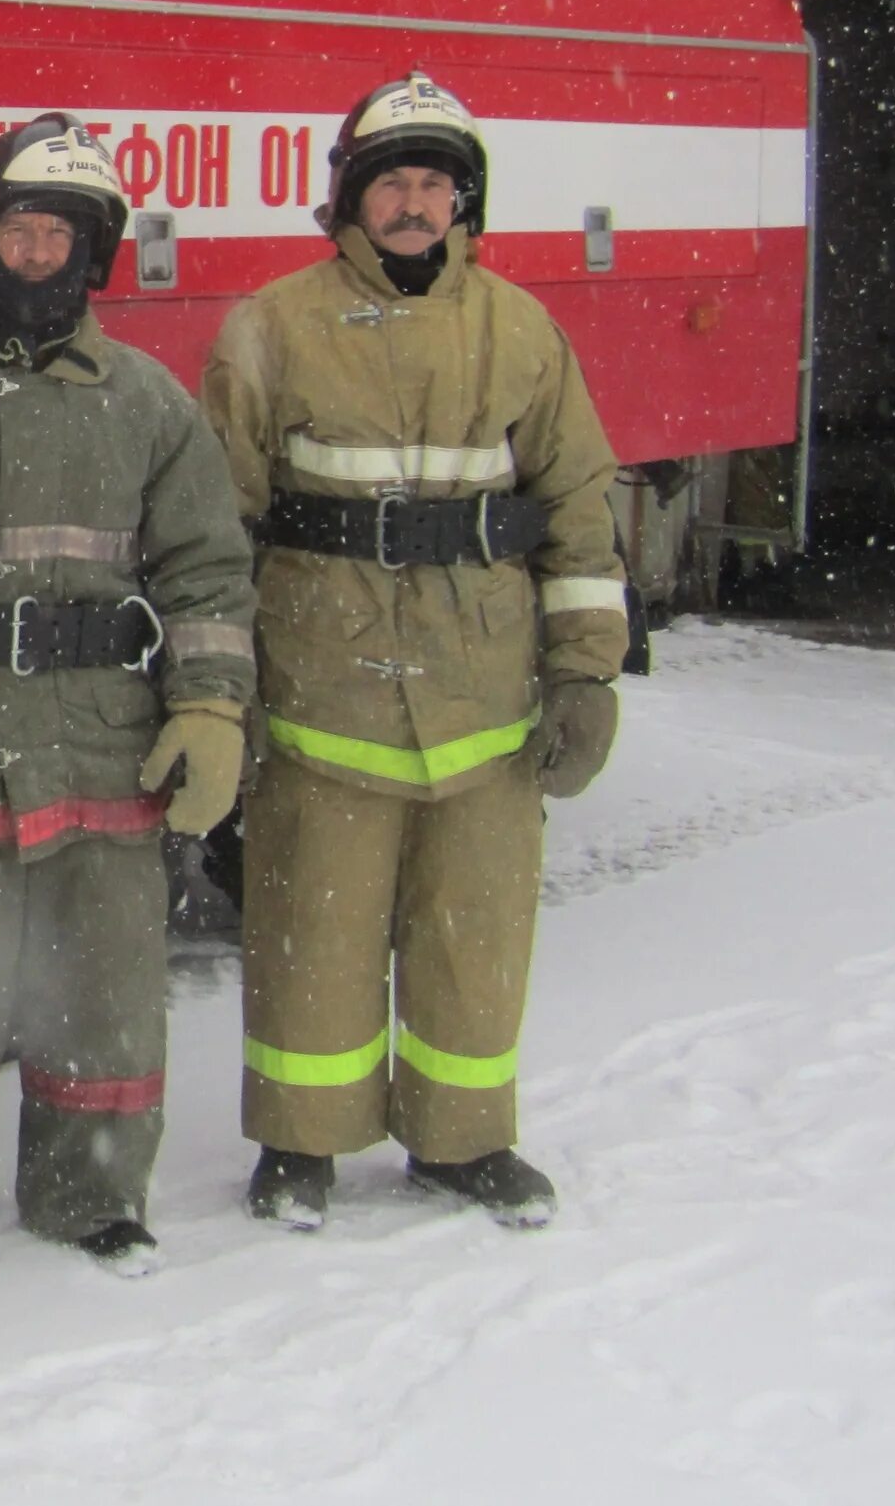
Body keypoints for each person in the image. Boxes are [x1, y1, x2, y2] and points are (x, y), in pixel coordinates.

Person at [201, 73, 628, 1232]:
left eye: (435, 181)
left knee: (473, 929)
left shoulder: (521, 329)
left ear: (462, 201)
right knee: (312, 922)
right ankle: (301, 1141)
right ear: (351, 194)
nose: (413, 201)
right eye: (393, 178)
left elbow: (579, 508)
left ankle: (462, 1139)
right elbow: (215, 528)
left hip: (482, 695)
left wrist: (586, 672)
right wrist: (214, 691)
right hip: (320, 686)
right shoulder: (273, 325)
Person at [0, 117, 256, 1281]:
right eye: (19, 228)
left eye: (60, 236)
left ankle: (93, 1194)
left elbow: (206, 568)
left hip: (103, 739)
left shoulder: (148, 400)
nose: (37, 253)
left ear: (94, 258)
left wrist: (212, 703)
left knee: (105, 988)